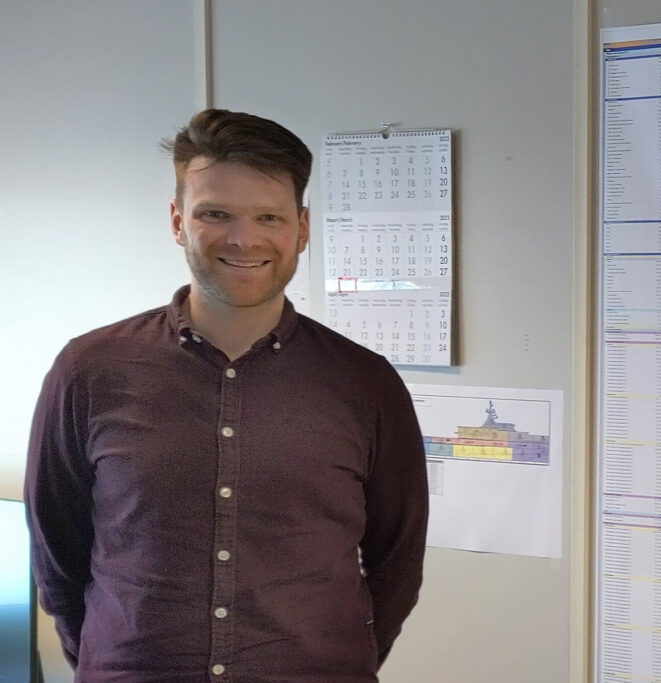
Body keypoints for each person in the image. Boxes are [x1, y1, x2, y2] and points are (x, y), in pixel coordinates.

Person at [24, 109, 429, 682]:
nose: (244, 239)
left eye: (269, 216)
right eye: (216, 214)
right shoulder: (88, 370)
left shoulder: (365, 383)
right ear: (177, 220)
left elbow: (397, 564)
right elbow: (57, 556)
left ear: (302, 229)